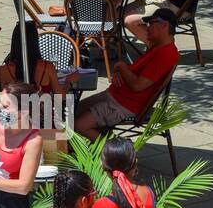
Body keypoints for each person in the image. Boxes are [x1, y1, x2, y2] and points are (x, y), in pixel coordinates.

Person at [74, 8, 179, 137]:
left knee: (79, 125)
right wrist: (120, 70)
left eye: (152, 23)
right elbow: (133, 73)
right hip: (116, 96)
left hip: (125, 105)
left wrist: (121, 66)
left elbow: (137, 85)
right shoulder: (157, 47)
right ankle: (71, 148)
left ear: (164, 25)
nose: (147, 27)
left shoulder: (165, 54)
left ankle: (119, 152)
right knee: (71, 111)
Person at [0, 21, 70, 96]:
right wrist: (69, 81)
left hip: (16, 107)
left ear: (15, 41)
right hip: (42, 107)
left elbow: (5, 97)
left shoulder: (5, 70)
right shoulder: (47, 67)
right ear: (35, 41)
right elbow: (60, 95)